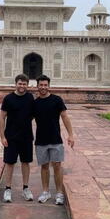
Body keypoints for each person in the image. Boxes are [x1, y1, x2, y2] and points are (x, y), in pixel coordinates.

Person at [33, 75, 74, 205]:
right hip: (41, 139)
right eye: (41, 85)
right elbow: (25, 119)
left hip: (56, 138)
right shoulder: (35, 103)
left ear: (49, 86)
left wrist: (71, 134)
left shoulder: (57, 100)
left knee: (57, 166)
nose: (43, 87)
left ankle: (59, 193)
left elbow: (65, 117)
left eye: (45, 85)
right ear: (37, 86)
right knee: (44, 166)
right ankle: (45, 192)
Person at [0, 74, 34, 203]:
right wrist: (2, 136)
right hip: (11, 137)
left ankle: (25, 188)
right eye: (20, 83)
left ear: (27, 85)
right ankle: (8, 189)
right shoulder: (8, 98)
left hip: (26, 136)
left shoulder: (30, 98)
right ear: (16, 84)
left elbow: (33, 115)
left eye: (24, 84)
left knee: (26, 162)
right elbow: (2, 117)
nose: (22, 86)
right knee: (9, 163)